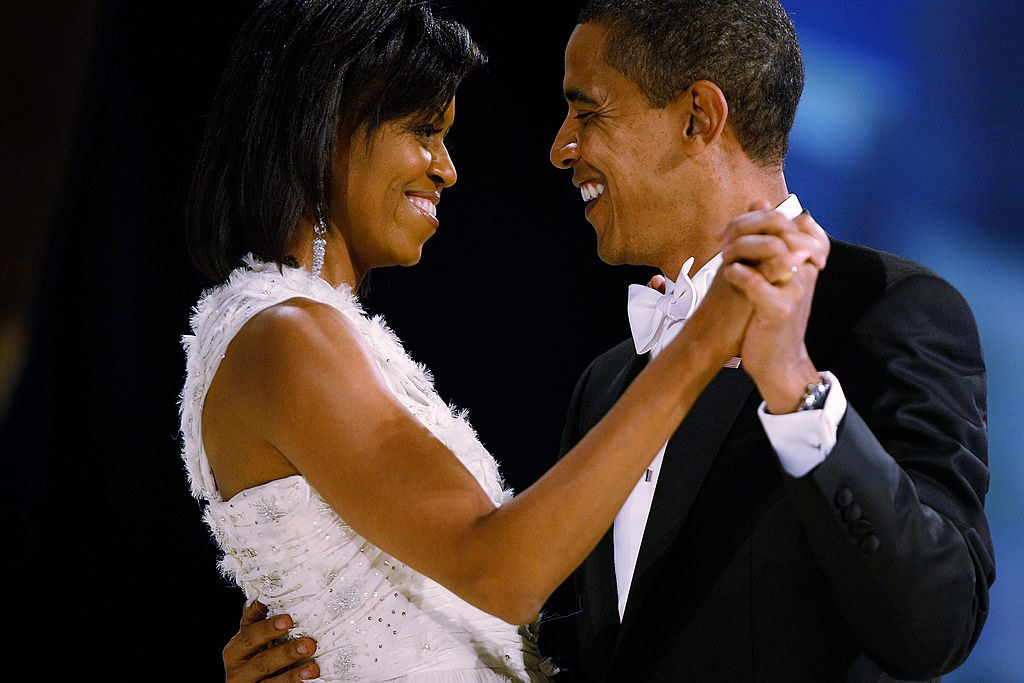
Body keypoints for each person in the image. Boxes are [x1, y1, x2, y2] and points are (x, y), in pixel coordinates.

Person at [184, 1, 825, 681]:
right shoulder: (284, 337)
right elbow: (501, 570)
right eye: (425, 130)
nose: (446, 168)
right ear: (325, 127)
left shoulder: (305, 334)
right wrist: (702, 343)